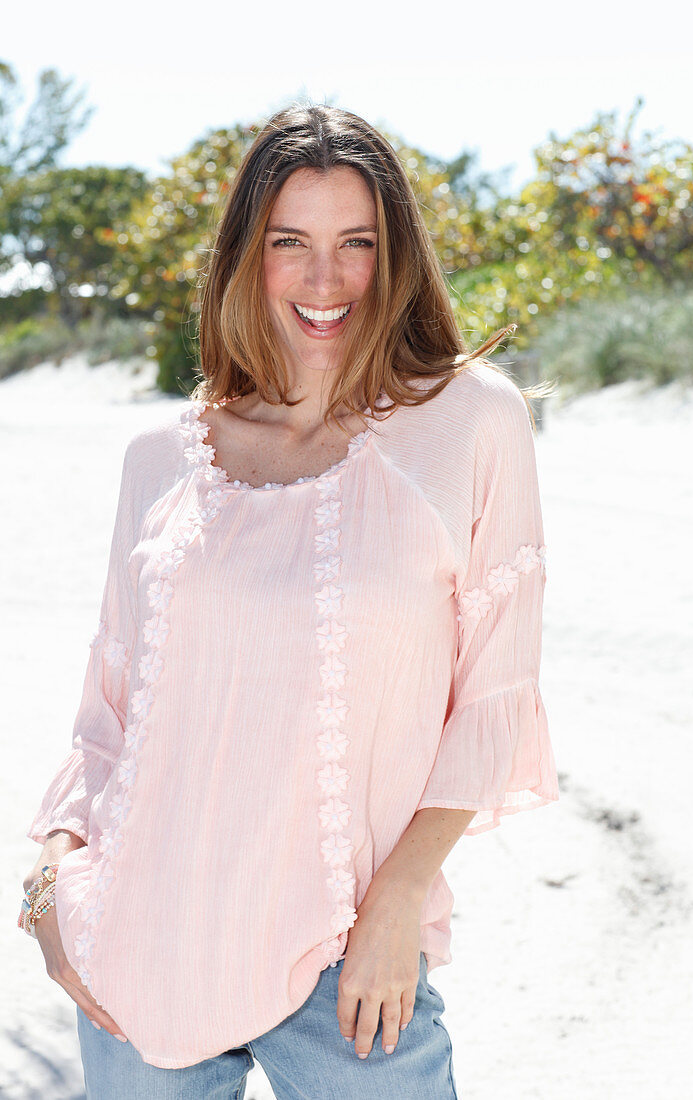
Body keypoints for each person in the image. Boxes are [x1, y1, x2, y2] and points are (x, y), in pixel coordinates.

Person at [20, 103, 560, 1099]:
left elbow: (495, 696)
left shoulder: (471, 422)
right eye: (290, 245)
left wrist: (398, 902)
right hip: (140, 946)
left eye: (355, 243)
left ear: (394, 255)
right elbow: (110, 719)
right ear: (244, 258)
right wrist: (51, 887)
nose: (325, 281)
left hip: (349, 957)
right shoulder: (159, 461)